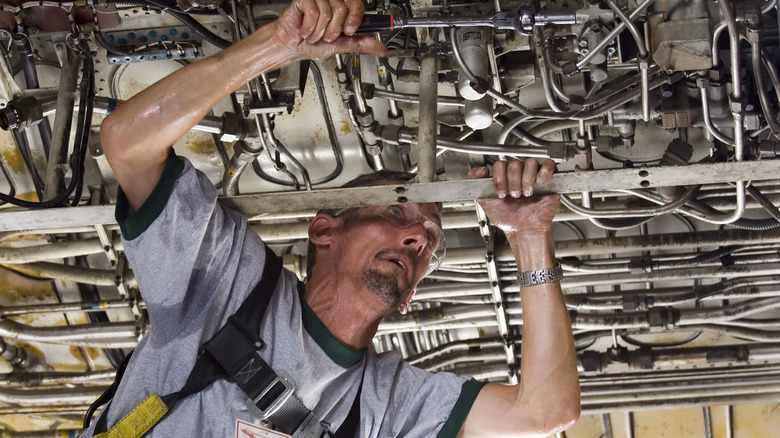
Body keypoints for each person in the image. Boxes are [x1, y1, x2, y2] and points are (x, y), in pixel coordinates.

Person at [82, 0, 580, 436]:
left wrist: (530, 234)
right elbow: (127, 143)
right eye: (395, 211)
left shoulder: (385, 405)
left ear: (411, 295)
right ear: (324, 229)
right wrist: (276, 46)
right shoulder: (228, 287)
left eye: (430, 238)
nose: (416, 238)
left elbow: (543, 412)